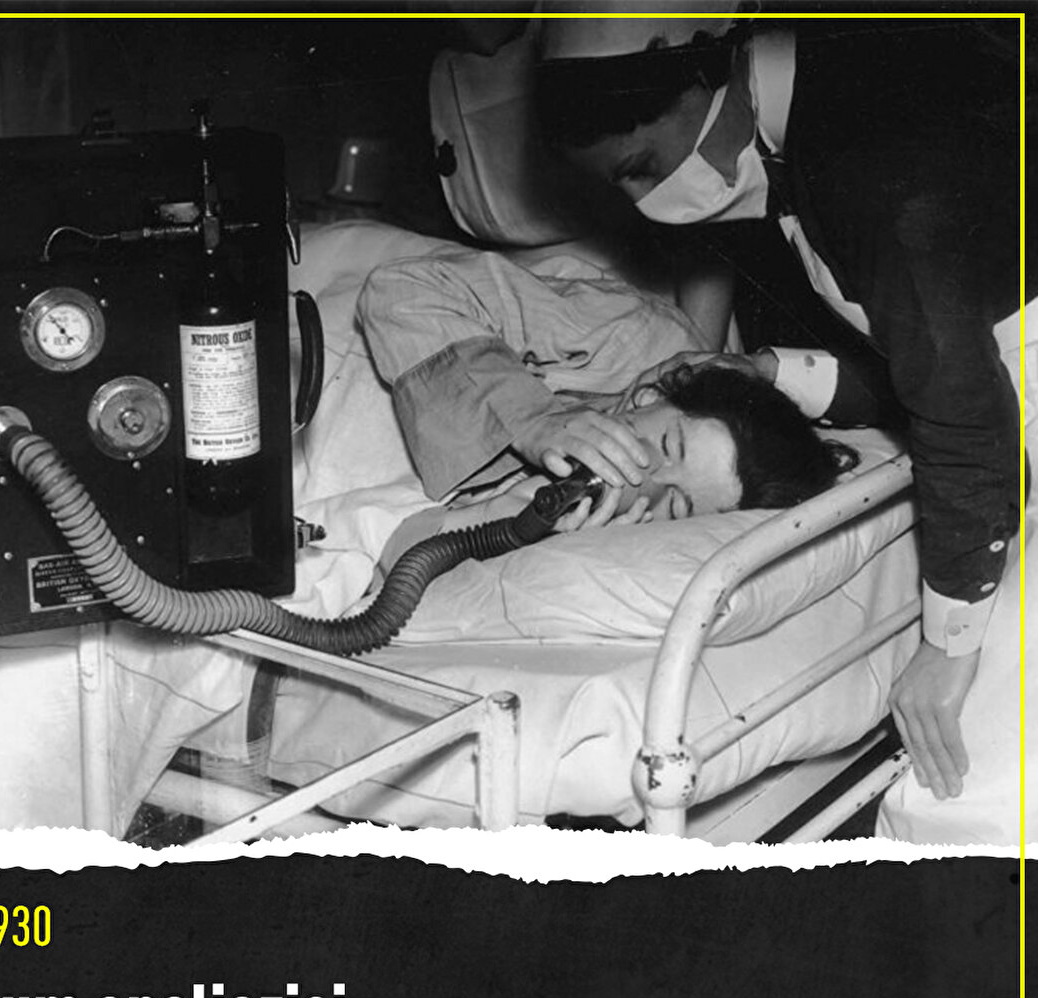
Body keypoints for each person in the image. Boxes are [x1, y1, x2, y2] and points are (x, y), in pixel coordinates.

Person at [533, 11, 1025, 840]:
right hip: (1007, 426)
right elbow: (931, 356)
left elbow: (963, 405)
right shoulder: (815, 127)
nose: (646, 202)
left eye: (642, 167)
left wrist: (948, 647)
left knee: (966, 799)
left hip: (1002, 438)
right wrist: (766, 372)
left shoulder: (869, 152)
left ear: (702, 71)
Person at [356, 246, 856, 558]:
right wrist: (533, 420)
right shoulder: (634, 340)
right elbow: (402, 289)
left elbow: (402, 554)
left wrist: (520, 525)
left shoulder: (603, 530)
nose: (643, 480)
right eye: (666, 446)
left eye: (676, 506)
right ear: (649, 395)